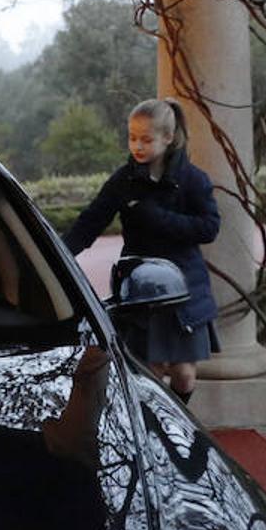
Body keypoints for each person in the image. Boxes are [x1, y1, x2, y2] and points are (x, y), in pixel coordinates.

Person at [63, 98, 220, 404]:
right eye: (133, 137)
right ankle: (155, 433)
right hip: (140, 291)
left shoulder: (194, 180)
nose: (137, 145)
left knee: (184, 375)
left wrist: (156, 217)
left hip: (184, 289)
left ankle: (176, 422)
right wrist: (56, 256)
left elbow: (209, 228)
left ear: (168, 138)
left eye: (146, 139)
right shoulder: (123, 181)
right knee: (150, 371)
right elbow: (89, 224)